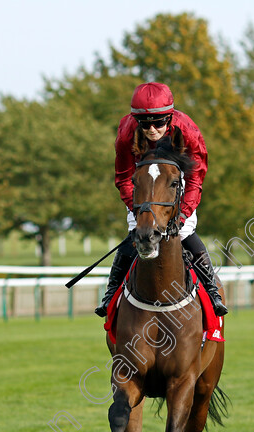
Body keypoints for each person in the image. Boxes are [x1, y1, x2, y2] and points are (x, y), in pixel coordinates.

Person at [94, 82, 227, 317]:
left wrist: (184, 214)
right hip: (143, 185)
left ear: (170, 117)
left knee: (185, 234)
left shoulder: (186, 129)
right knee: (135, 232)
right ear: (136, 120)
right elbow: (124, 176)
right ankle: (111, 292)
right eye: (145, 124)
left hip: (175, 183)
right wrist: (138, 210)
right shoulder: (127, 130)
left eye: (158, 122)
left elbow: (196, 178)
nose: (152, 129)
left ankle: (212, 291)